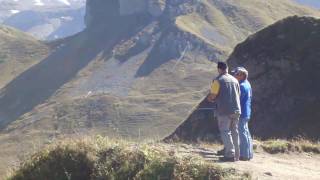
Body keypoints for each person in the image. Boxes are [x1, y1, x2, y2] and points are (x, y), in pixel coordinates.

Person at [207, 62, 241, 162]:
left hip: (224, 110)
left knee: (225, 131)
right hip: (236, 109)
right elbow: (238, 94)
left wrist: (209, 99)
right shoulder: (235, 80)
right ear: (227, 68)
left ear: (219, 69)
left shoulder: (217, 80)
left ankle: (230, 154)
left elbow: (213, 95)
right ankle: (237, 155)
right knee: (235, 131)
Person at [233, 67, 253, 161]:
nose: (234, 76)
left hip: (241, 112)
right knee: (246, 132)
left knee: (242, 133)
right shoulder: (247, 84)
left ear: (242, 75)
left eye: (236, 74)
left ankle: (244, 155)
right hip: (246, 111)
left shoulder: (241, 86)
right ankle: (249, 153)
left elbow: (238, 100)